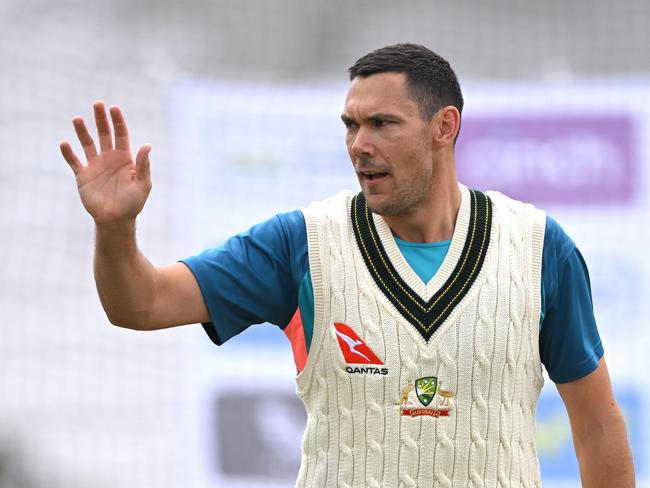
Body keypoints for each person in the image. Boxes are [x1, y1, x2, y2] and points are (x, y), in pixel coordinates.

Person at [60, 44, 634, 487]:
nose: (359, 144)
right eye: (350, 126)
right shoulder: (299, 243)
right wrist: (116, 228)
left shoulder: (539, 248)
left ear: (445, 128)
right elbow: (141, 303)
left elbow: (597, 425)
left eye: (382, 124)